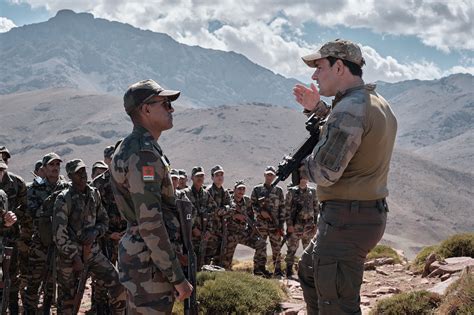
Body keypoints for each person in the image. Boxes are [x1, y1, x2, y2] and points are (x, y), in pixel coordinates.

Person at [294, 39, 397, 314]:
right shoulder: (372, 101)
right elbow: (349, 131)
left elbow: (325, 173)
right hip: (357, 216)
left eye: (319, 67)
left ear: (339, 67)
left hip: (347, 220)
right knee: (310, 273)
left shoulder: (350, 109)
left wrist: (298, 168)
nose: (314, 75)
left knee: (337, 304)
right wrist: (319, 109)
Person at [110, 79, 193, 313]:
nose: (172, 109)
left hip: (145, 261)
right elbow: (150, 223)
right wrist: (176, 276)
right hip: (148, 266)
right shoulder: (142, 153)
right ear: (146, 109)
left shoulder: (140, 147)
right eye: (165, 104)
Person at [54, 159, 126, 314]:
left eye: (84, 171)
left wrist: (96, 232)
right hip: (69, 257)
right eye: (78, 173)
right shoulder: (63, 198)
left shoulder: (94, 193)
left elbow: (104, 220)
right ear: (70, 176)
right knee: (68, 300)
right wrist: (76, 257)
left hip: (93, 252)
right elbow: (59, 235)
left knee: (118, 283)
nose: (83, 175)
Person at [24, 152, 70, 313]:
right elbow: (32, 213)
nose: (55, 168)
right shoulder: (34, 189)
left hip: (61, 242)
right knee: (34, 281)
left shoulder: (66, 188)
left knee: (53, 282)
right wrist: (50, 201)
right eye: (51, 165)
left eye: (57, 164)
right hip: (40, 243)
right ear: (43, 168)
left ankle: (47, 310)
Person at [91, 145, 127, 314]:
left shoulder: (129, 180)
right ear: (106, 160)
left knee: (128, 276)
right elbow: (92, 216)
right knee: (102, 279)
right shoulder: (97, 184)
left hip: (127, 237)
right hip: (105, 238)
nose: (114, 161)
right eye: (111, 158)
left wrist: (128, 232)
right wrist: (108, 234)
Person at [0, 153, 27, 313]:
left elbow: (25, 209)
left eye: (2, 170)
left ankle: (13, 309)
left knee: (11, 278)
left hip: (9, 241)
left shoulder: (12, 186)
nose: (0, 174)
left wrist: (11, 220)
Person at [221, 180, 267, 272]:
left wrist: (253, 228)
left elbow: (251, 216)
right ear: (234, 190)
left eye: (243, 189)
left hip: (243, 233)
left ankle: (259, 270)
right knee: (226, 261)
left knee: (261, 243)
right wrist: (234, 215)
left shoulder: (247, 201)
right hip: (230, 234)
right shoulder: (228, 200)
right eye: (239, 189)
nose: (241, 191)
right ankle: (226, 275)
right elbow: (221, 214)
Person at [250, 166, 285, 277]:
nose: (270, 177)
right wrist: (260, 213)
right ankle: (259, 269)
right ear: (264, 175)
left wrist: (281, 225)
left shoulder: (279, 191)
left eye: (272, 175)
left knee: (277, 248)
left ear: (274, 176)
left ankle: (277, 270)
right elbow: (252, 205)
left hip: (275, 225)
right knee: (260, 247)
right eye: (268, 174)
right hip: (261, 225)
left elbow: (282, 208)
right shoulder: (257, 189)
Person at [181, 166, 218, 269]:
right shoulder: (185, 193)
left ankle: (200, 282)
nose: (200, 178)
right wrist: (193, 228)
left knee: (202, 262)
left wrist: (209, 230)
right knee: (189, 261)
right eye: (197, 176)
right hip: (189, 235)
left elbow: (212, 211)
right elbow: (182, 212)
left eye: (202, 176)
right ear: (192, 178)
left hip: (203, 234)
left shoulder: (206, 195)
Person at [283, 176, 318, 278]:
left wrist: (316, 224)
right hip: (295, 225)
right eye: (301, 177)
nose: (303, 179)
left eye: (305, 177)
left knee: (309, 249)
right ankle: (289, 271)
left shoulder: (312, 191)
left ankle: (308, 272)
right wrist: (289, 225)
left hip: (309, 226)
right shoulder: (292, 192)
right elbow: (287, 210)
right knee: (292, 248)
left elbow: (316, 208)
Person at [206, 165, 232, 267]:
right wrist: (225, 209)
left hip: (222, 229)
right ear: (212, 177)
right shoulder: (208, 191)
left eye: (221, 175)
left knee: (220, 254)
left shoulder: (224, 192)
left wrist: (223, 210)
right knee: (207, 256)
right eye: (217, 175)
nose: (220, 177)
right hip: (210, 228)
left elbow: (232, 208)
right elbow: (212, 211)